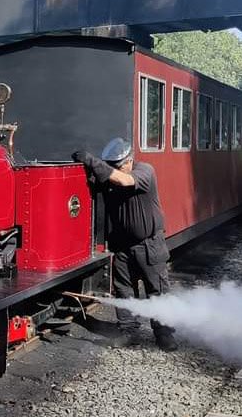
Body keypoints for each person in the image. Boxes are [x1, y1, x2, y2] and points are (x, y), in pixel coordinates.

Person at [72, 138, 178, 351]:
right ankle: (128, 331)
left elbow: (123, 181)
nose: (114, 171)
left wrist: (92, 161)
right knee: (124, 289)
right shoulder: (112, 175)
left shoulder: (145, 171)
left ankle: (164, 334)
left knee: (157, 290)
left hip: (149, 245)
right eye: (111, 166)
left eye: (118, 166)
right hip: (122, 245)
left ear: (129, 161)